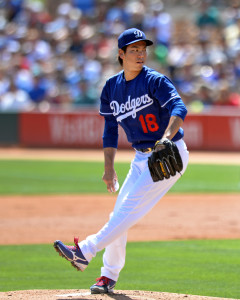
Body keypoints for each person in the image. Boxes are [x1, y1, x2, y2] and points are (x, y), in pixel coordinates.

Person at [54, 28, 189, 294]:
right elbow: (110, 129)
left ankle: (85, 250)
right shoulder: (111, 87)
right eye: (134, 50)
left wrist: (166, 137)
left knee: (127, 210)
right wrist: (108, 167)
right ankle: (108, 276)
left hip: (168, 153)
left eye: (143, 49)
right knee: (119, 215)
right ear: (121, 54)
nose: (141, 54)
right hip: (140, 159)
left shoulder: (155, 80)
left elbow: (179, 108)